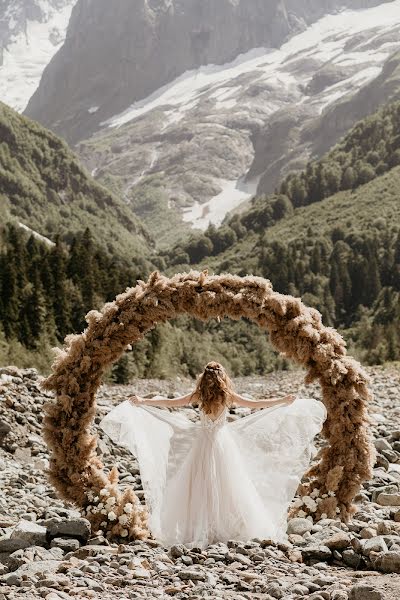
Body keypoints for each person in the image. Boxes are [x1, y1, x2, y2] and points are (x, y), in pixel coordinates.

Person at [99, 361, 327, 549]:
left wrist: (144, 401)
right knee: (228, 485)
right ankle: (226, 526)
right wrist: (282, 401)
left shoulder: (199, 395)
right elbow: (257, 404)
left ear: (204, 378)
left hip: (203, 444)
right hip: (222, 443)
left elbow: (170, 403)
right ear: (222, 377)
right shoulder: (228, 396)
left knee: (199, 486)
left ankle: (198, 527)